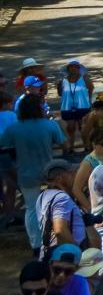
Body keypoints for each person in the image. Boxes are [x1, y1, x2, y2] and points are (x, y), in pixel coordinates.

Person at [0, 98, 64, 255]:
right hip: (48, 175)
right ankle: (51, 239)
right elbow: (63, 143)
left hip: (26, 175)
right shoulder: (49, 125)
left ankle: (36, 244)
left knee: (31, 208)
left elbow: (3, 144)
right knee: (50, 207)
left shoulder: (14, 128)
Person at [36, 161, 87, 260]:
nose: (75, 176)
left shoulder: (43, 195)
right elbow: (60, 230)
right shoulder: (62, 198)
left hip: (54, 254)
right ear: (60, 178)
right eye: (72, 173)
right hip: (65, 257)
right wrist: (77, 254)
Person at [56, 62, 93, 155]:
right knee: (70, 128)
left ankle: (87, 147)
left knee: (83, 128)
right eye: (71, 67)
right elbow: (60, 94)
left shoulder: (85, 79)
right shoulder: (62, 81)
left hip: (83, 106)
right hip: (67, 107)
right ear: (68, 69)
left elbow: (91, 89)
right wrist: (59, 86)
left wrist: (88, 101)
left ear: (79, 68)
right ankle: (70, 148)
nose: (73, 69)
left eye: (76, 67)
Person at [0, 92, 18, 227]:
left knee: (8, 185)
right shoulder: (11, 115)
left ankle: (9, 215)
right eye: (10, 103)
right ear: (6, 104)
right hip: (9, 152)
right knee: (20, 183)